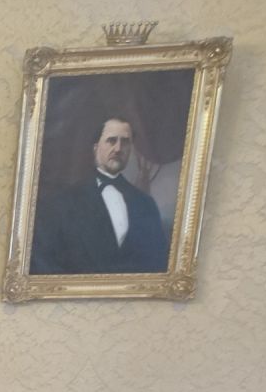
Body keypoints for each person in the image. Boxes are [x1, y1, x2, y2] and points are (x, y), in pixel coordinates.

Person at [29, 115, 170, 275]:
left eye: (125, 142)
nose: (118, 149)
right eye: (111, 141)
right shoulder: (64, 203)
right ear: (96, 148)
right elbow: (45, 262)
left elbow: (159, 262)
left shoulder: (145, 204)